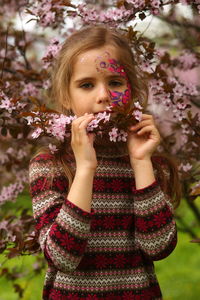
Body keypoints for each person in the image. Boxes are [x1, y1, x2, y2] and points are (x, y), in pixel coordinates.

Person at [29, 26, 181, 300]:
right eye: (87, 84)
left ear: (131, 89)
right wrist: (85, 168)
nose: (103, 95)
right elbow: (61, 257)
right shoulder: (50, 165)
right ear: (66, 95)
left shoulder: (146, 160)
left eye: (115, 82)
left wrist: (140, 161)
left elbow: (159, 247)